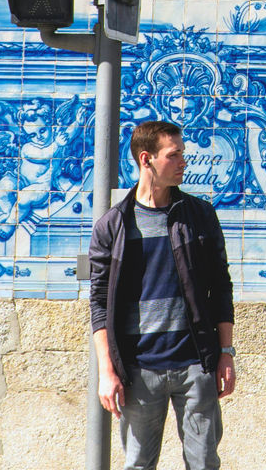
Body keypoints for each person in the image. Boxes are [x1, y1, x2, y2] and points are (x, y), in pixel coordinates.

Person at [89, 121, 235, 470]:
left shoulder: (199, 216)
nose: (184, 162)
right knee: (138, 464)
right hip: (139, 368)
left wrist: (226, 353)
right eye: (175, 155)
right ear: (146, 159)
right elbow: (97, 302)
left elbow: (221, 287)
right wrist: (107, 371)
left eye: (183, 153)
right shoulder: (114, 225)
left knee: (204, 463)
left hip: (195, 364)